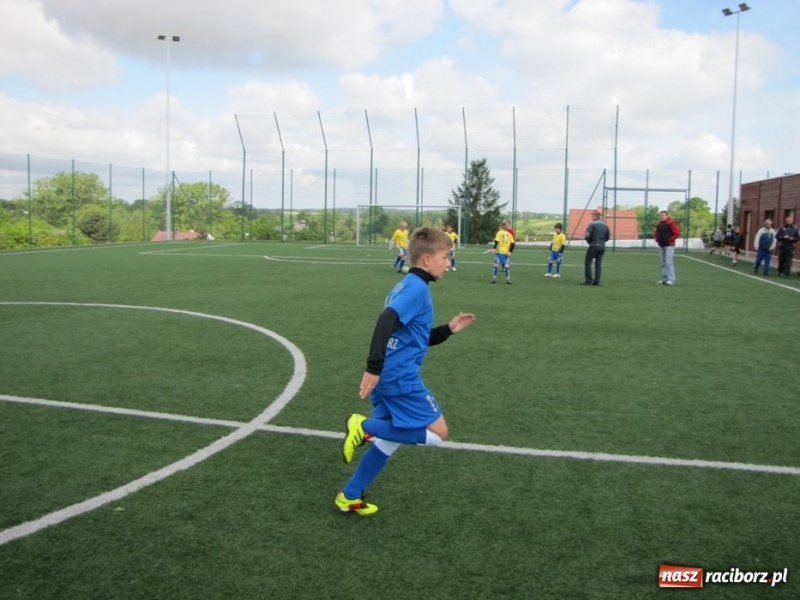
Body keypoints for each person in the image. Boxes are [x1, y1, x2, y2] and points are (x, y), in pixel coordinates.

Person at [337, 227, 476, 516]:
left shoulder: (405, 285)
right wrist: (373, 367)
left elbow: (414, 336)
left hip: (390, 374)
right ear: (427, 259)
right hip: (399, 376)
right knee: (438, 433)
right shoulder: (417, 289)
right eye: (445, 257)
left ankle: (350, 495)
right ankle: (363, 427)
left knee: (390, 441)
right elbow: (386, 320)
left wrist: (448, 330)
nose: (448, 263)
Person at [581, 210, 610, 285]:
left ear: (595, 216)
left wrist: (589, 242)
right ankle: (597, 281)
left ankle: (588, 280)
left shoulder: (592, 224)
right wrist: (602, 242)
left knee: (588, 262)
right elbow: (607, 237)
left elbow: (587, 235)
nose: (591, 217)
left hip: (594, 245)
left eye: (592, 215)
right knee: (598, 264)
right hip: (602, 246)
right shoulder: (605, 225)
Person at [654, 210, 681, 286]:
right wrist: (657, 239)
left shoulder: (671, 223)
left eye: (663, 215)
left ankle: (671, 279)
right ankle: (664, 279)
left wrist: (669, 240)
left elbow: (676, 233)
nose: (662, 217)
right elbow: (656, 233)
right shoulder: (659, 224)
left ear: (667, 216)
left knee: (669, 262)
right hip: (661, 245)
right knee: (663, 263)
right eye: (661, 215)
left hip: (669, 245)